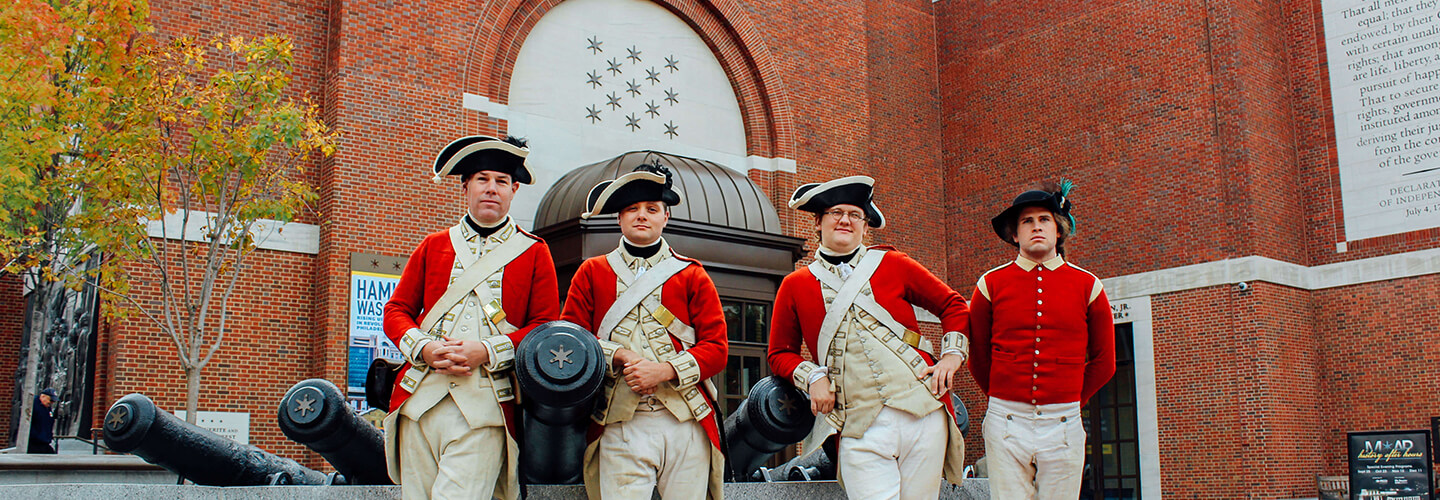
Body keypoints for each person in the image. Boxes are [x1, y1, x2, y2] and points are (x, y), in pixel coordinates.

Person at [767, 175, 969, 500]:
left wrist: (952, 356)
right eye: (836, 212)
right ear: (818, 222)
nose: (845, 220)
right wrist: (813, 377)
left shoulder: (893, 263)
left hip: (923, 411)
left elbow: (953, 305)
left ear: (864, 225)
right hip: (858, 423)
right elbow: (779, 353)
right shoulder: (795, 284)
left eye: (854, 214)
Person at [382, 135, 560, 500]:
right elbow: (396, 311)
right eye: (482, 179)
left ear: (513, 190)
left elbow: (544, 328)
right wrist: (425, 348)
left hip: (485, 405)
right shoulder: (434, 245)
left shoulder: (534, 252)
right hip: (419, 401)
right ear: (466, 187)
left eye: (500, 181)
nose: (491, 188)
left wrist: (487, 350)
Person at [559, 163, 728, 500]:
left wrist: (663, 370)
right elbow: (571, 343)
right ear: (619, 218)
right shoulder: (592, 272)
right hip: (620, 421)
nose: (642, 216)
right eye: (632, 209)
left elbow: (716, 348)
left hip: (684, 419)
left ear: (665, 217)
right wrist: (618, 355)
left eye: (652, 209)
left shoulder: (692, 275)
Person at [968, 180, 1115, 500]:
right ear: (1014, 234)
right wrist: (1000, 395)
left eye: (1044, 219)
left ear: (1059, 230)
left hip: (1064, 421)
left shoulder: (1089, 285)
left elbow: (1105, 362)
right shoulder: (989, 284)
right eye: (1027, 221)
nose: (1036, 227)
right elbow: (977, 354)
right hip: (1005, 420)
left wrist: (1073, 398)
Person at [27, 388, 57, 454]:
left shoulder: (47, 408)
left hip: (44, 442)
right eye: (50, 400)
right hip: (34, 443)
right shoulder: (34, 405)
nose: (52, 402)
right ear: (43, 396)